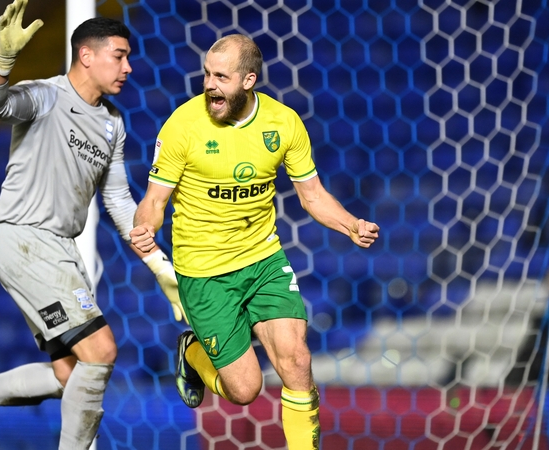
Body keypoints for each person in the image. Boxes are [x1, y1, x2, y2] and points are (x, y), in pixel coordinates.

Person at [0, 1, 185, 449]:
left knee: (70, 376)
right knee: (101, 351)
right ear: (86, 55)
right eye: (119, 56)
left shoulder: (113, 124)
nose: (129, 67)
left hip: (56, 247)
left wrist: (157, 262)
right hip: (24, 237)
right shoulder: (47, 95)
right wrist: (2, 63)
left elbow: (118, 199)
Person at [130, 34, 380, 450]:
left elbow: (313, 195)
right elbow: (154, 200)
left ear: (249, 80)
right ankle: (192, 352)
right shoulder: (182, 126)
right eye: (207, 74)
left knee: (297, 359)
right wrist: (145, 226)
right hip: (205, 272)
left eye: (221, 77)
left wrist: (350, 224)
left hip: (263, 259)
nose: (210, 85)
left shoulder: (283, 124)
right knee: (244, 390)